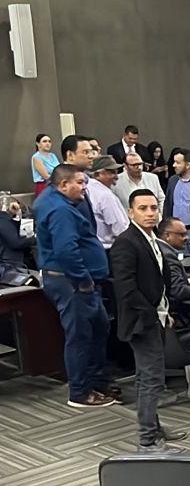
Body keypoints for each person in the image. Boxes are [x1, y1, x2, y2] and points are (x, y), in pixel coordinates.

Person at [35, 158, 119, 408]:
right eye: (81, 183)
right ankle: (81, 392)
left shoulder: (56, 199)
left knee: (97, 329)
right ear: (63, 185)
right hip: (71, 282)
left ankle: (96, 381)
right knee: (80, 336)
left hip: (76, 281)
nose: (85, 187)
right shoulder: (61, 210)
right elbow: (66, 251)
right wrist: (83, 281)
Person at [110, 189, 187, 450]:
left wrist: (166, 312)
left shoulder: (151, 239)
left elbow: (158, 283)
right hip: (142, 321)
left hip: (157, 317)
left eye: (153, 208)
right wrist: (154, 315)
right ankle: (147, 438)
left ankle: (153, 426)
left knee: (148, 377)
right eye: (143, 208)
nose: (150, 213)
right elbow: (126, 289)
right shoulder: (126, 242)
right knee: (152, 379)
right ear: (131, 212)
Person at [156, 216, 190, 324]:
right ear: (167, 235)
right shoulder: (168, 256)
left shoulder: (161, 249)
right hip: (181, 312)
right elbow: (178, 291)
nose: (186, 238)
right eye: (182, 235)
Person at [84, 156, 130, 249]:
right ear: (97, 174)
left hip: (93, 246)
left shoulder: (86, 188)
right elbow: (120, 228)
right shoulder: (105, 195)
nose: (116, 177)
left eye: (117, 172)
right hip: (109, 247)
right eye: (112, 172)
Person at [0, 198, 35, 267]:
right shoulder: (2, 220)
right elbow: (16, 243)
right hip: (10, 263)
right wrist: (35, 239)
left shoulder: (4, 219)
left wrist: (13, 214)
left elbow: (11, 229)